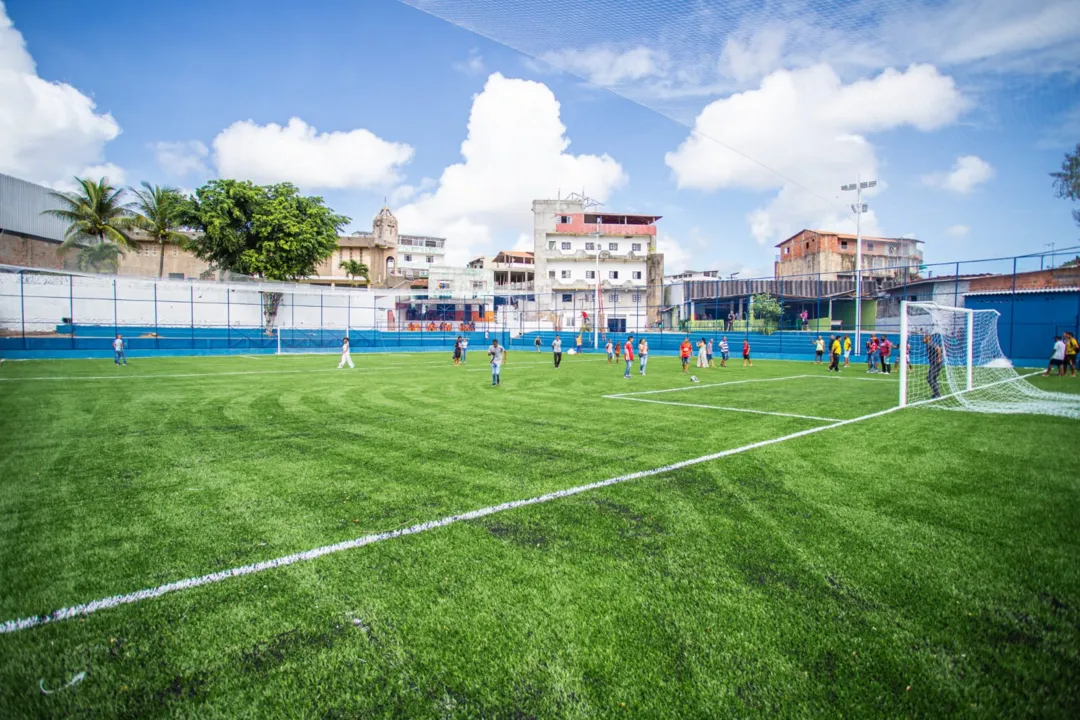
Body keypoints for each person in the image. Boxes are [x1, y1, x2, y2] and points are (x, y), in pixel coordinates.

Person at [925, 333, 943, 398]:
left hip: (936, 364)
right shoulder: (928, 344)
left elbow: (939, 349)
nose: (923, 340)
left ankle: (937, 394)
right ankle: (936, 393)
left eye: (924, 338)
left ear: (927, 338)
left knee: (929, 378)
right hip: (934, 364)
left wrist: (938, 358)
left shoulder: (930, 344)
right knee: (933, 378)